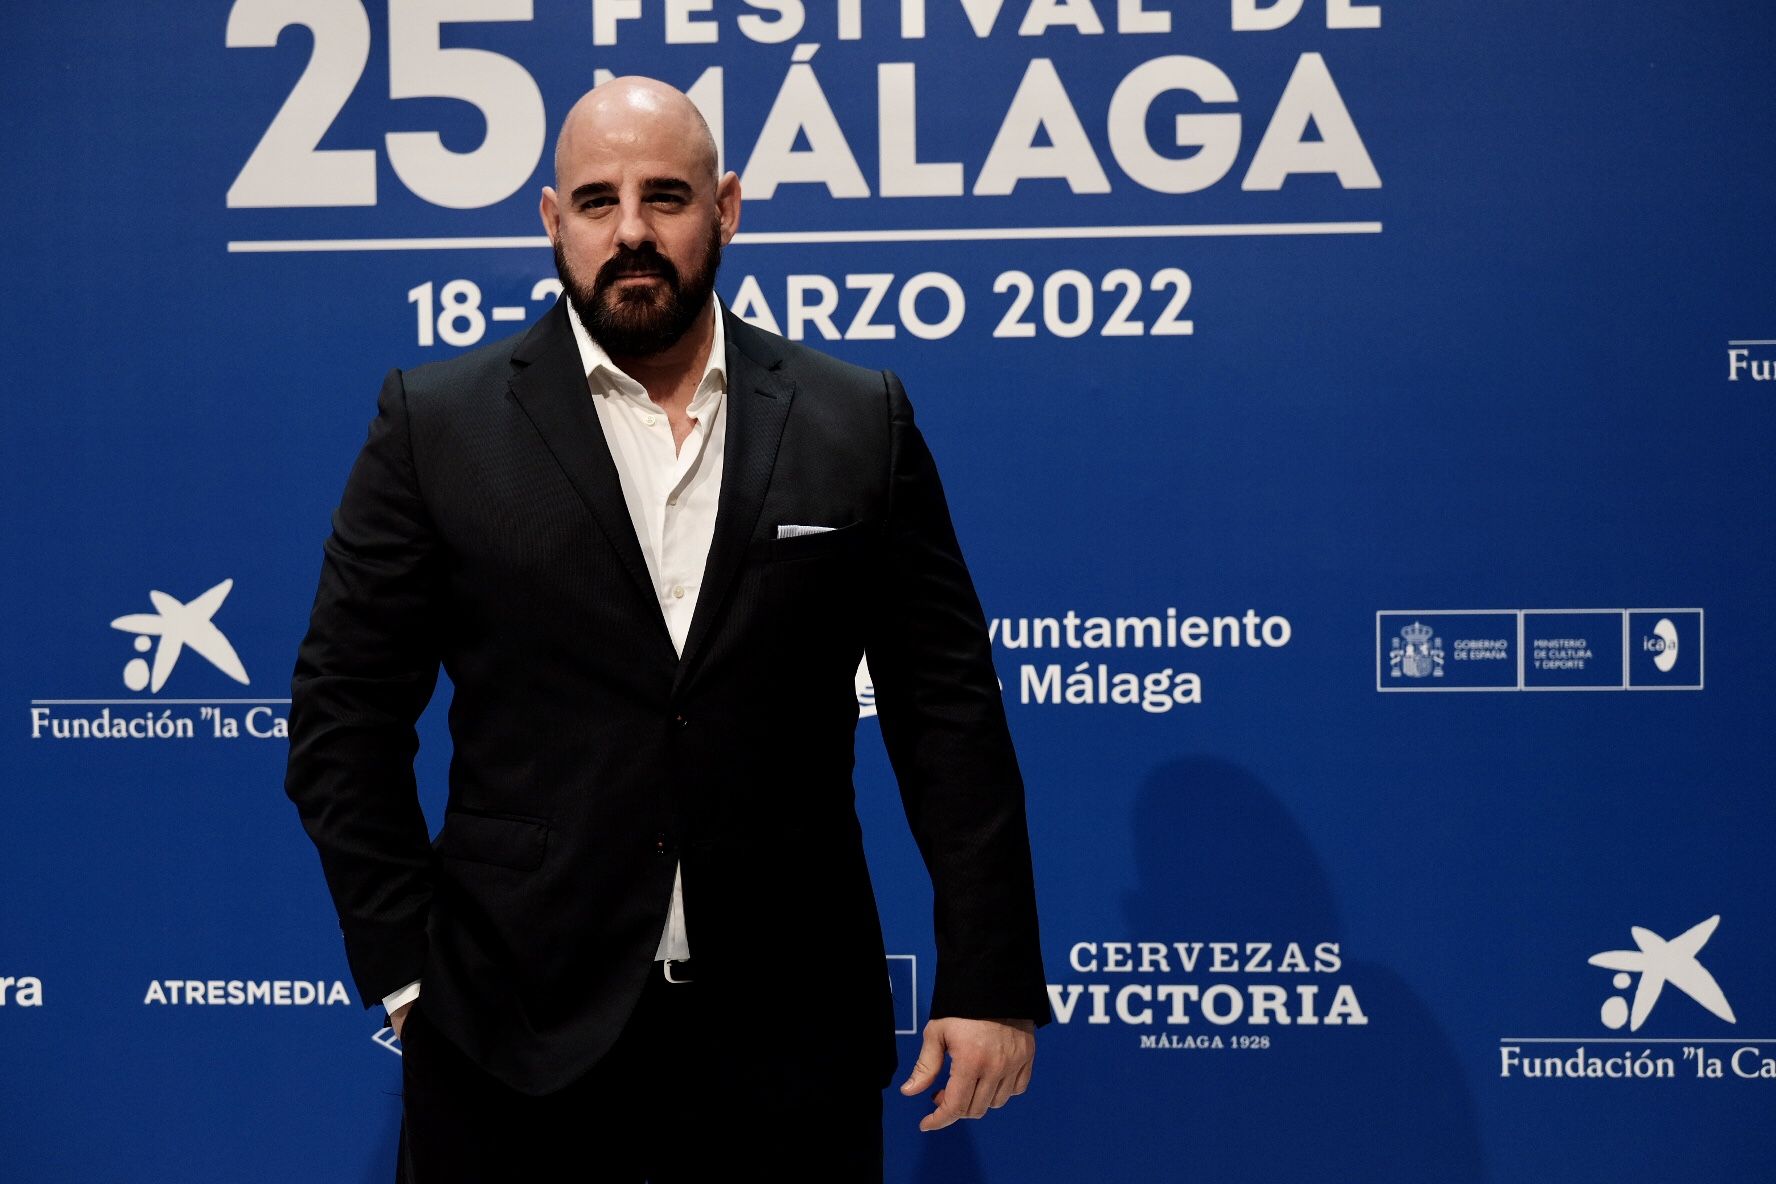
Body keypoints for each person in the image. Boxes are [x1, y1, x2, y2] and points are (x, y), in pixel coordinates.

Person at [284, 76, 1048, 1182]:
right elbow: (341, 721)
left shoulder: (856, 417)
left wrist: (987, 975)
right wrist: (411, 975)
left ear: (727, 209)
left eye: (667, 195)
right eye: (597, 200)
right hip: (507, 1036)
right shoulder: (437, 425)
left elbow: (949, 719)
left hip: (793, 1038)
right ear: (554, 220)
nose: (631, 230)